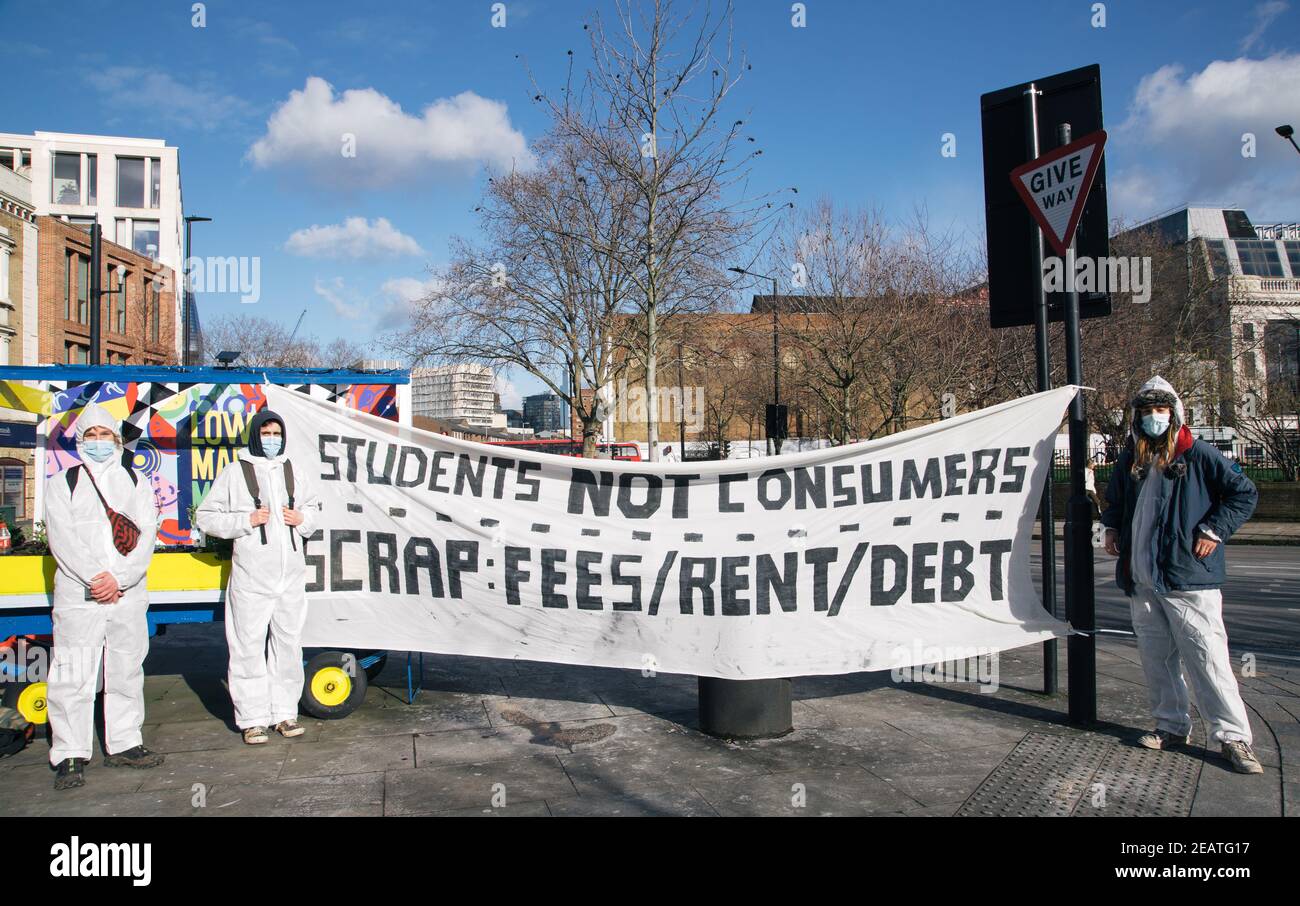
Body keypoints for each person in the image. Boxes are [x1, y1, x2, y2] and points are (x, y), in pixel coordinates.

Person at [1100, 376, 1262, 774]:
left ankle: (1233, 737)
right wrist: (1112, 527)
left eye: (1161, 410)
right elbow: (1116, 497)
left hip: (1188, 577)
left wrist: (1213, 530)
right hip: (1143, 578)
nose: (1155, 418)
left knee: (1208, 658)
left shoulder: (1197, 453)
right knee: (1157, 659)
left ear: (1174, 413)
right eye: (1148, 411)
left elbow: (1243, 492)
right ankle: (1171, 726)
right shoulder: (1133, 458)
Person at [45, 402, 163, 790]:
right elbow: (62, 539)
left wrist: (122, 579)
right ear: (80, 441)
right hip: (82, 594)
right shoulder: (63, 483)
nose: (98, 442)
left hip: (126, 595)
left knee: (126, 668)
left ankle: (126, 741)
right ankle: (70, 752)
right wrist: (98, 578)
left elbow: (147, 534)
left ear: (116, 439)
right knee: (73, 672)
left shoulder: (135, 480)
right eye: (90, 436)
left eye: (105, 436)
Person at [196, 409, 319, 745]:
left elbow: (314, 510)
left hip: (290, 576)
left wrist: (302, 519)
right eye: (265, 433)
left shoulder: (293, 470)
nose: (271, 439)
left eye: (276, 433)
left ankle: (284, 712)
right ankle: (252, 718)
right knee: (247, 646)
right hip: (252, 576)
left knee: (288, 645)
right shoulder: (236, 472)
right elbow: (206, 517)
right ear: (254, 435)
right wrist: (245, 520)